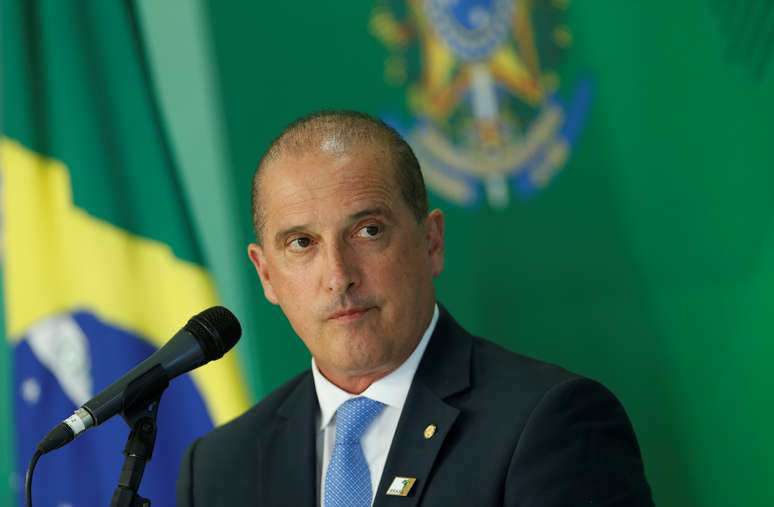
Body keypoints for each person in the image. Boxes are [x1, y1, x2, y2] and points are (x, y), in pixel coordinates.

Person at [176, 110, 654, 506]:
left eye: (368, 231)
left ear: (431, 242)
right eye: (302, 243)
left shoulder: (551, 423)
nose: (339, 275)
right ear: (266, 275)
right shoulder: (219, 469)